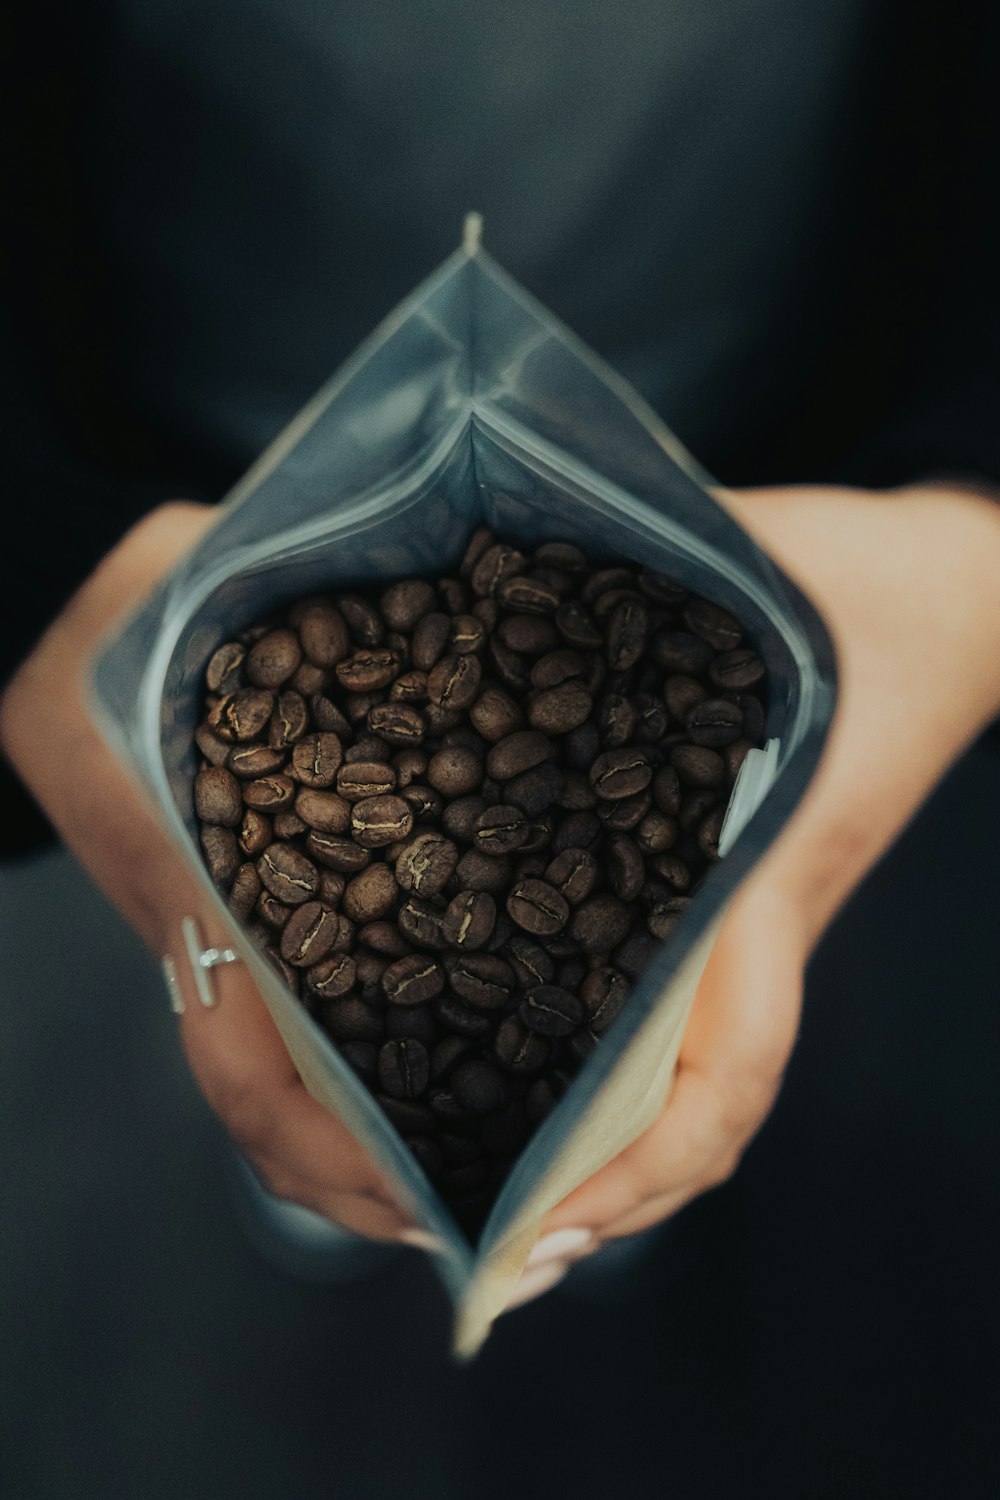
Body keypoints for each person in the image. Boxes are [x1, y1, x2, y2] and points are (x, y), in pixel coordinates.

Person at [2, 0, 998, 1312]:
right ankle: (365, 1081)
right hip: (201, 390)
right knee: (309, 954)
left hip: (740, 366)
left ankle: (574, 1110)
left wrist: (968, 536)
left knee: (624, 892)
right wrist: (38, 566)